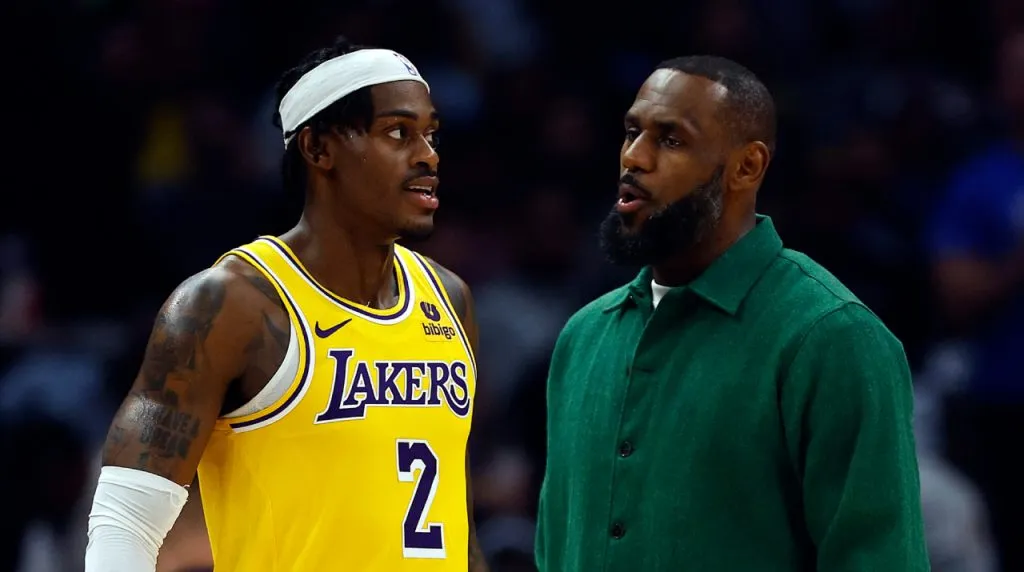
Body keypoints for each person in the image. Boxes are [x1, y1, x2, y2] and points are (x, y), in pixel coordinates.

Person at [85, 36, 488, 572]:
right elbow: (125, 521)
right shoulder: (231, 304)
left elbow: (455, 526)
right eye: (398, 132)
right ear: (318, 148)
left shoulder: (449, 299)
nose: (428, 155)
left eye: (431, 134)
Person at [534, 55, 929, 571]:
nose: (635, 157)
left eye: (670, 139)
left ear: (747, 167)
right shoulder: (584, 336)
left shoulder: (832, 338)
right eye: (632, 132)